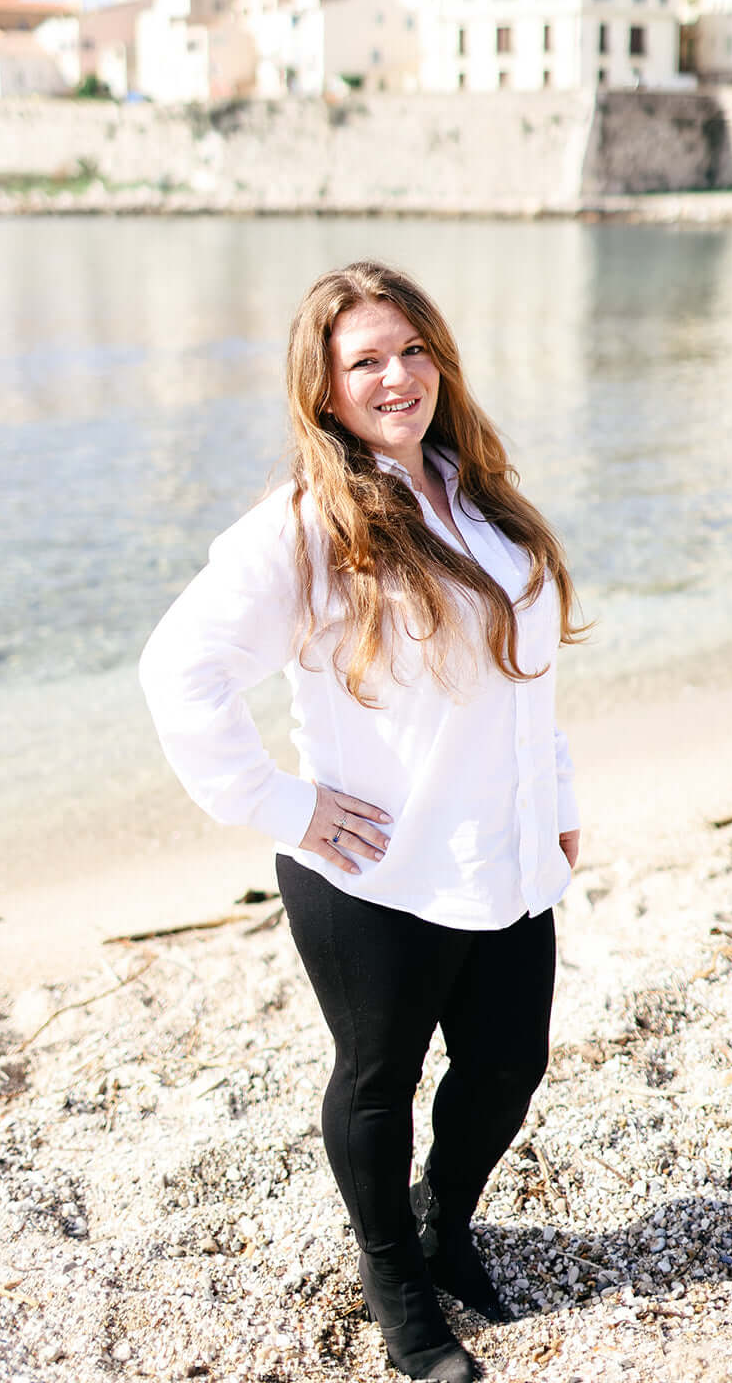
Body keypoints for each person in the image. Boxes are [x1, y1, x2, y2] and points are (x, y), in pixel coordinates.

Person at [139, 260, 585, 1381]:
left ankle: (445, 1225)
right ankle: (398, 1286)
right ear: (325, 390)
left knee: (503, 1070)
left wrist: (558, 804)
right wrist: (280, 804)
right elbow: (178, 670)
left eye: (411, 349)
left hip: (501, 851)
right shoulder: (304, 527)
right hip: (370, 871)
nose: (397, 376)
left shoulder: (474, 493)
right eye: (365, 362)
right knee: (376, 1082)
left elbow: (522, 677)